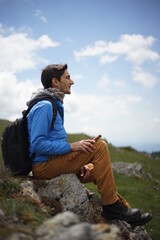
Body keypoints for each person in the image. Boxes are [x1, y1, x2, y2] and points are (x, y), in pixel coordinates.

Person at [27, 64, 152, 227]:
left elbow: (53, 142)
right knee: (99, 146)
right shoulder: (45, 106)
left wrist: (78, 163)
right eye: (67, 77)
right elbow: (37, 144)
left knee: (95, 169)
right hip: (43, 167)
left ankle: (123, 210)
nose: (72, 81)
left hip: (53, 162)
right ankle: (113, 208)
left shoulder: (53, 103)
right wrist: (72, 147)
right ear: (55, 82)